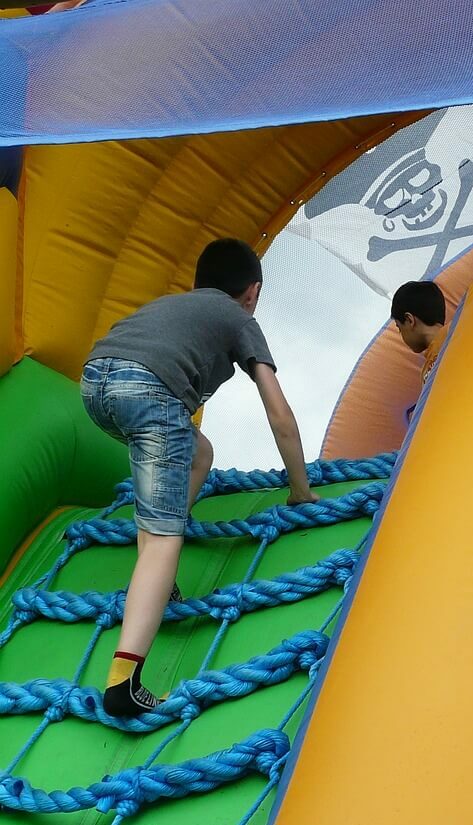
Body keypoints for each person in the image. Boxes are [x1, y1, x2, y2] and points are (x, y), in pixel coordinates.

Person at [80, 238, 318, 717]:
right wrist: (300, 489)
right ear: (252, 292)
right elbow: (278, 413)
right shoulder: (239, 318)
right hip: (149, 393)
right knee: (164, 539)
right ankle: (124, 681)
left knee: (198, 452)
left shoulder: (175, 306)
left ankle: (159, 575)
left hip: (95, 385)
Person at [391, 280, 449, 386]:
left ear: (409, 320)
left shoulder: (454, 335)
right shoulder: (426, 370)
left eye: (400, 328)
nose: (402, 335)